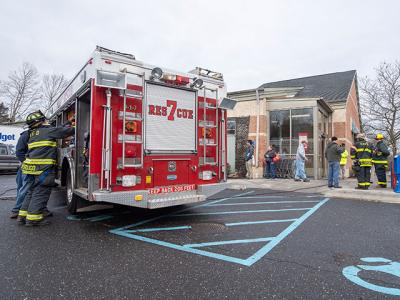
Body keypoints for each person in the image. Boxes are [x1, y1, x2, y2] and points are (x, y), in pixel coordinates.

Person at [17, 110, 75, 226]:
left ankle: (22, 216)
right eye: (44, 119)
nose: (46, 121)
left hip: (31, 169)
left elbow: (57, 129)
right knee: (40, 192)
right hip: (43, 169)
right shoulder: (48, 131)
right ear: (41, 121)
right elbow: (67, 131)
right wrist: (74, 125)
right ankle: (33, 219)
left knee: (31, 192)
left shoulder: (32, 134)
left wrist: (68, 121)